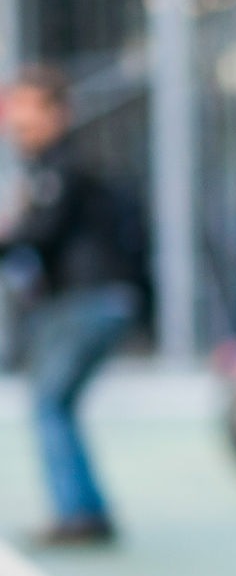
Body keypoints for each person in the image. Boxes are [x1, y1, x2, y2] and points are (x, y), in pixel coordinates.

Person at [0, 65, 146, 544]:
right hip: (92, 299)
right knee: (57, 404)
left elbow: (38, 233)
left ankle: (79, 515)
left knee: (49, 404)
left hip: (87, 300)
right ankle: (87, 509)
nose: (14, 119)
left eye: (25, 108)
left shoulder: (63, 167)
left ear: (56, 113)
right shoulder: (51, 166)